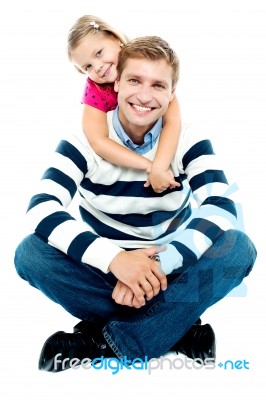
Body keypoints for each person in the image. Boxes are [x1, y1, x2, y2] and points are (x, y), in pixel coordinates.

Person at [14, 36, 256, 373]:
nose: (144, 96)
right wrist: (116, 260)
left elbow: (219, 205)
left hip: (170, 272)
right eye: (134, 80)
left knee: (238, 249)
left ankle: (99, 341)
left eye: (158, 85)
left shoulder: (187, 137)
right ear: (115, 83)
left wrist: (159, 262)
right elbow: (42, 207)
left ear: (172, 95)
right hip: (105, 275)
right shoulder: (83, 139)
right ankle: (174, 327)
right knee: (30, 254)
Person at [67, 15, 181, 193]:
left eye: (99, 53)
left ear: (115, 38)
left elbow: (172, 122)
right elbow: (98, 141)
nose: (97, 66)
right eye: (87, 67)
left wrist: (161, 165)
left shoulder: (148, 64)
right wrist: (150, 166)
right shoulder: (94, 90)